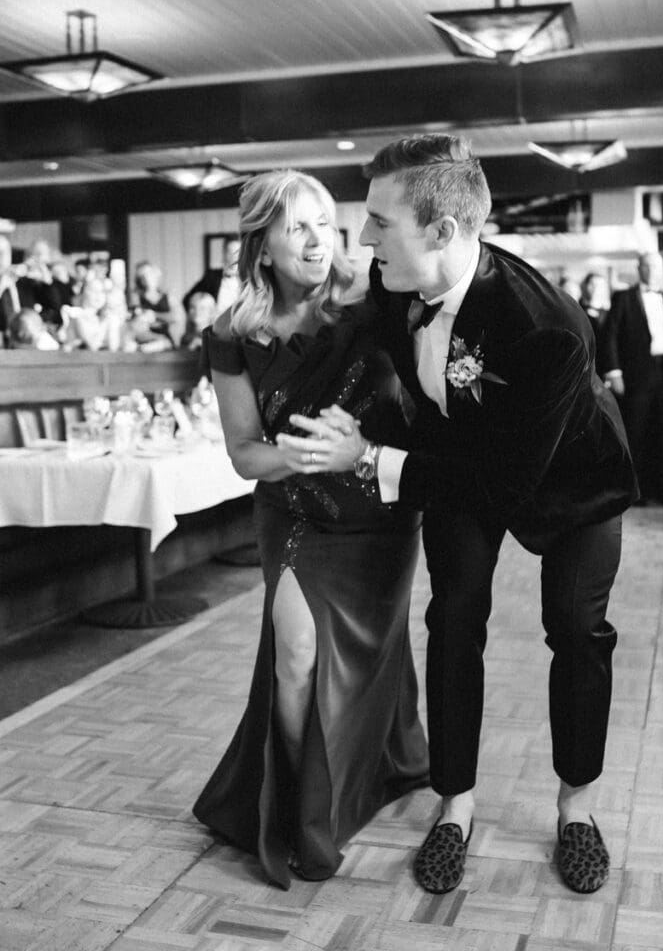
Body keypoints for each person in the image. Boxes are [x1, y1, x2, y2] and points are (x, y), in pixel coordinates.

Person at [277, 134, 638, 895]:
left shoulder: (550, 328)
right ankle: (455, 803)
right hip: (452, 465)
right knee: (454, 619)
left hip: (573, 481)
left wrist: (366, 459)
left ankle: (578, 807)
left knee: (576, 631)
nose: (364, 237)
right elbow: (355, 334)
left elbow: (498, 483)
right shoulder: (393, 282)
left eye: (380, 221)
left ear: (442, 232)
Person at [192, 169, 429, 890]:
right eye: (296, 226)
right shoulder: (231, 334)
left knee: (369, 654)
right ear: (261, 245)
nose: (317, 239)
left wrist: (367, 446)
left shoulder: (377, 299)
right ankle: (296, 809)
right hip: (295, 512)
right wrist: (299, 453)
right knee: (295, 651)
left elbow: (424, 400)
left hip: (380, 512)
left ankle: (379, 765)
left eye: (324, 222)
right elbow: (243, 455)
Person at [603, 252, 663, 504]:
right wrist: (614, 373)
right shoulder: (624, 297)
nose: (652, 270)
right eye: (647, 266)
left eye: (656, 266)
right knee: (636, 434)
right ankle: (636, 494)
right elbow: (610, 336)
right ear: (639, 268)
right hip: (637, 375)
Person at [183, 237, 242, 314]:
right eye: (230, 252)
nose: (234, 256)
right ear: (224, 254)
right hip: (216, 324)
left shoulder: (252, 278)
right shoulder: (212, 277)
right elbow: (187, 300)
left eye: (237, 252)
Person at [580, 272, 611, 378]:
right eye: (593, 285)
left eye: (600, 286)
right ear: (585, 286)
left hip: (606, 366)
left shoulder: (610, 312)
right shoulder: (578, 310)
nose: (597, 289)